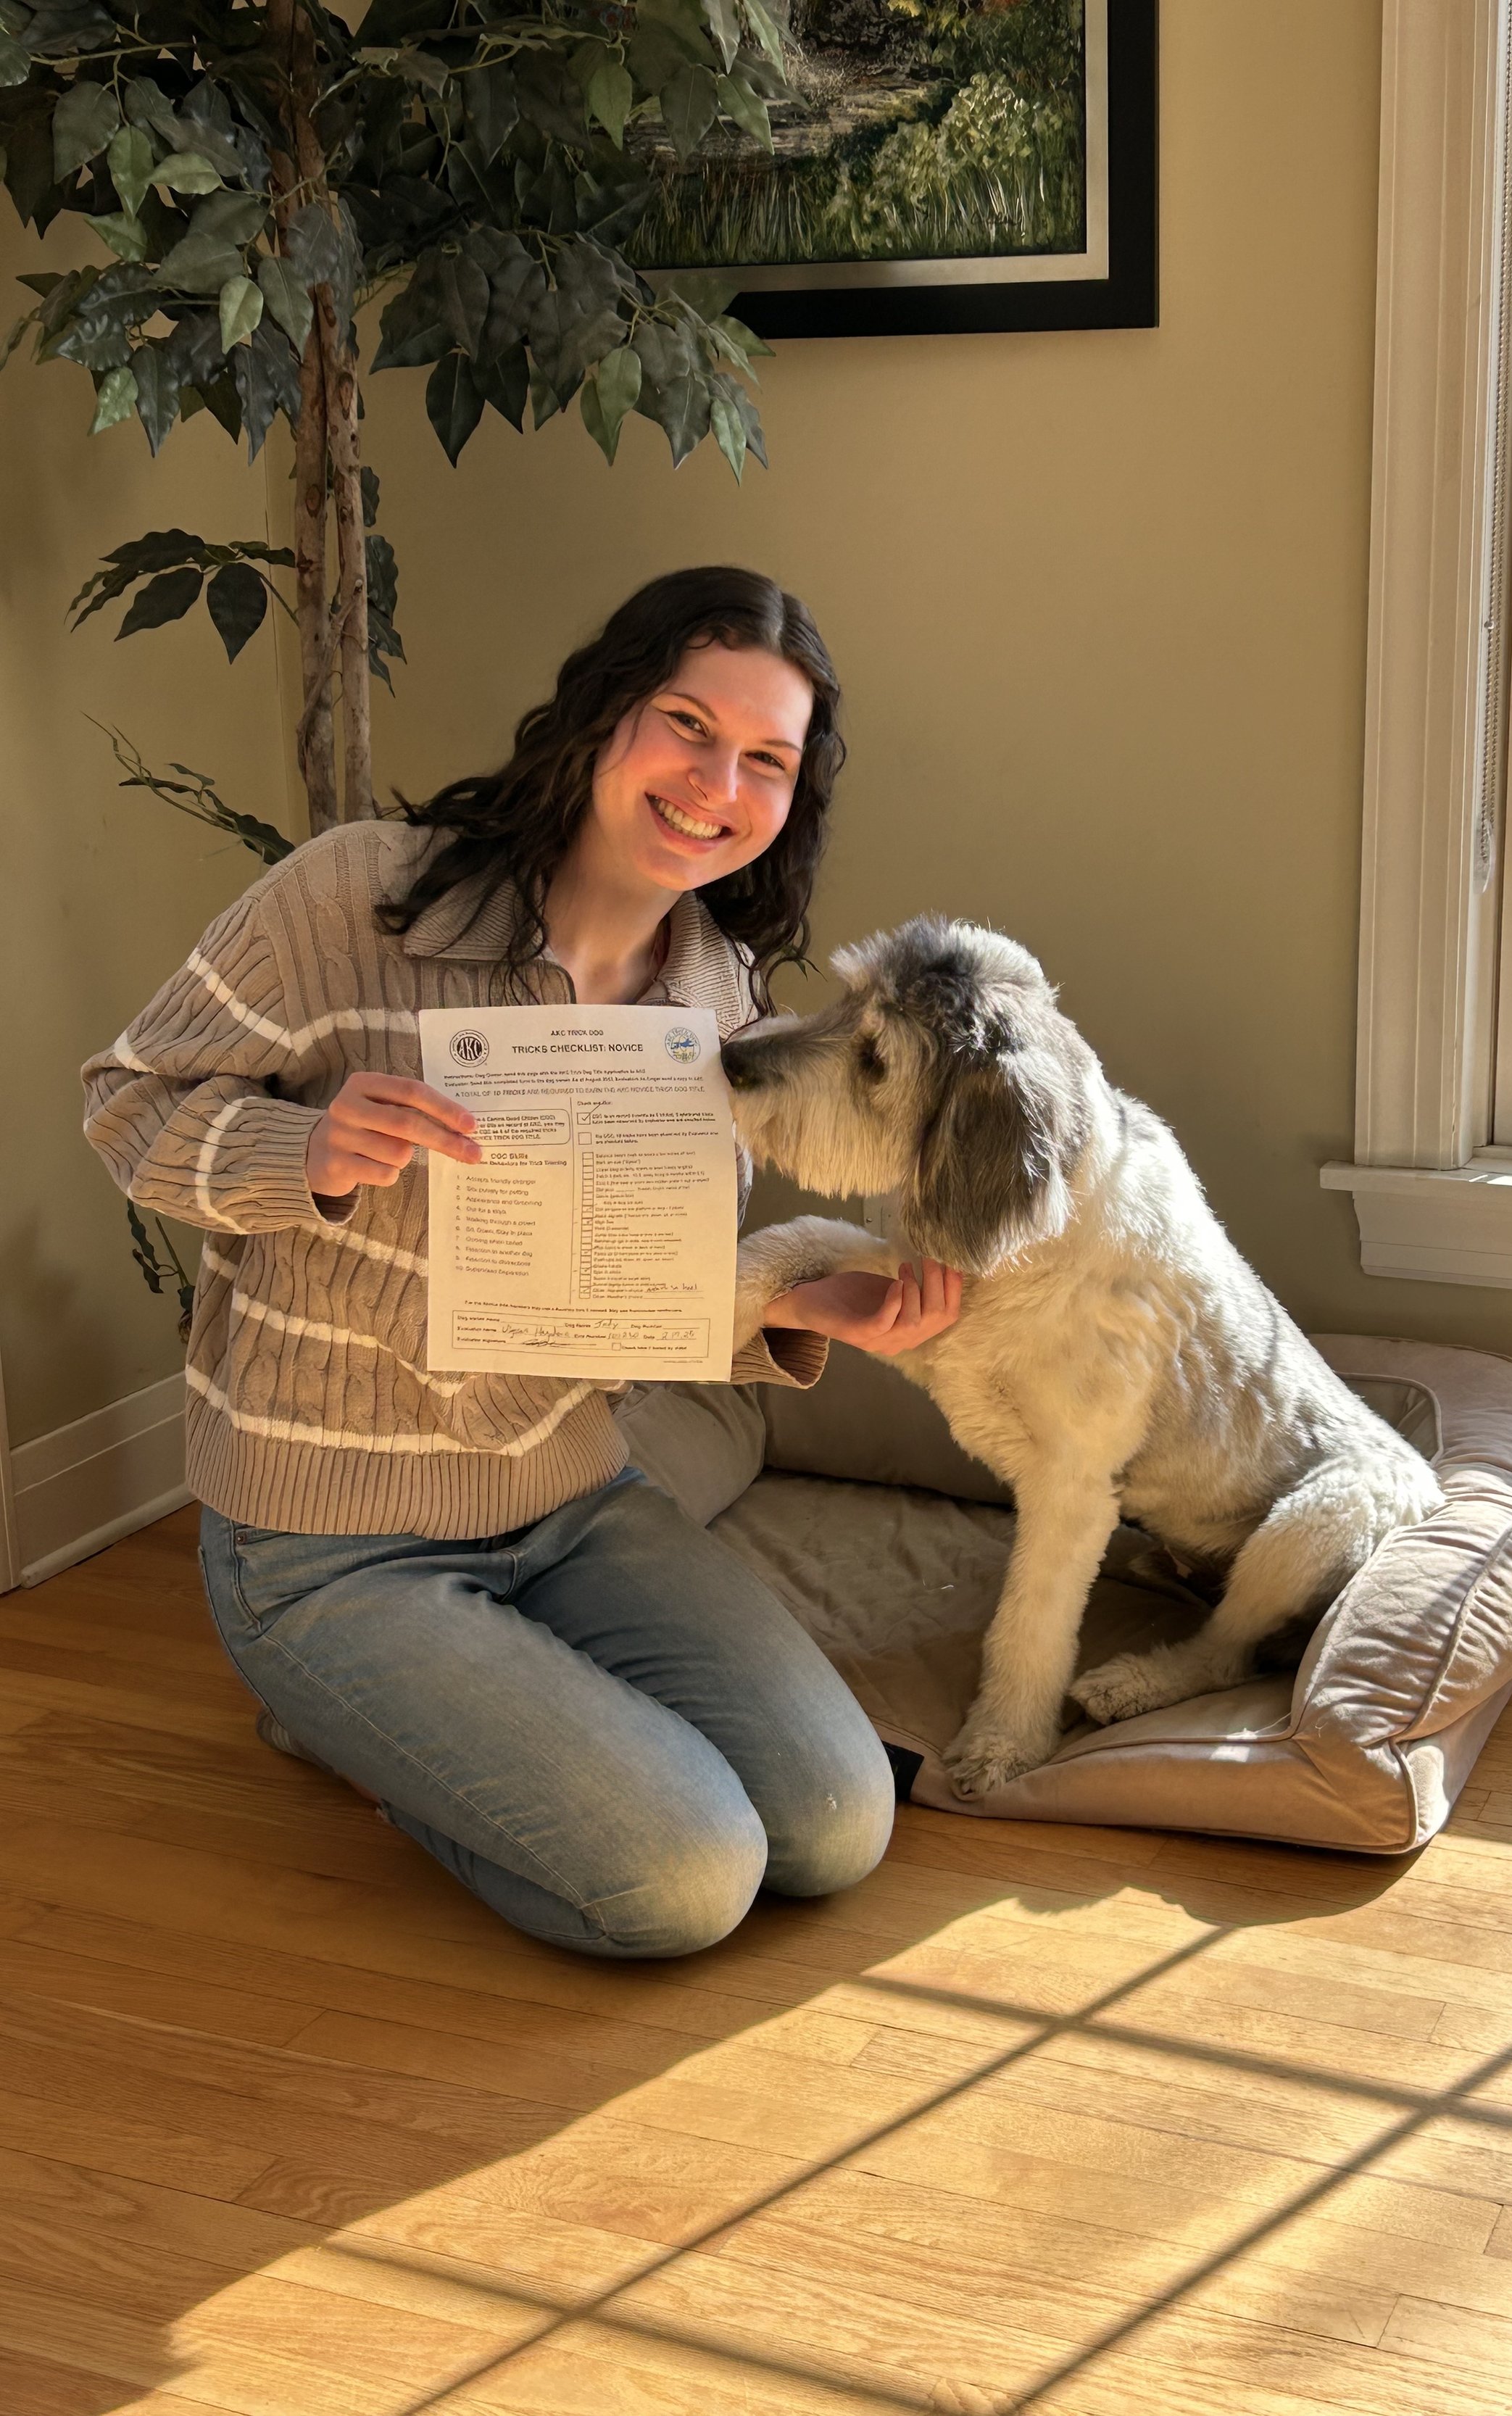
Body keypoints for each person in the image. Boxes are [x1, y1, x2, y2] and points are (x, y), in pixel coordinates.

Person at [82, 565, 963, 1959]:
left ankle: (459, 1712)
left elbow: (633, 1290)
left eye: (766, 760)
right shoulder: (352, 896)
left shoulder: (715, 995)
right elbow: (127, 1099)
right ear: (605, 712)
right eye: (685, 722)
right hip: (329, 1539)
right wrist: (296, 1149)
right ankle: (357, 1728)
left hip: (569, 1498)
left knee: (839, 1820)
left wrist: (805, 1304)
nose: (715, 780)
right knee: (690, 1879)